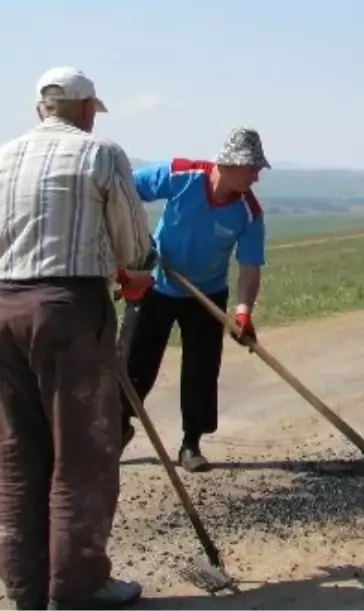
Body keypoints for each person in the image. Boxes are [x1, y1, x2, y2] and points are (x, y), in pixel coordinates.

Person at [0, 67, 155, 611]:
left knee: (19, 453)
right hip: (66, 309)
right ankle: (79, 586)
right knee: (84, 452)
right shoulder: (100, 152)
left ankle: (24, 588)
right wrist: (137, 273)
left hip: (3, 309)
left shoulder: (2, 155)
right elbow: (133, 245)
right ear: (87, 109)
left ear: (41, 109)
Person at [118, 126, 269, 474]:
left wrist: (243, 312)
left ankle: (191, 444)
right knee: (133, 363)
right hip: (155, 283)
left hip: (207, 294)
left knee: (201, 369)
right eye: (252, 168)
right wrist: (136, 245)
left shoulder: (249, 212)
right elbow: (122, 194)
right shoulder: (179, 173)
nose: (257, 176)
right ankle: (116, 428)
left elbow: (249, 267)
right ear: (229, 163)